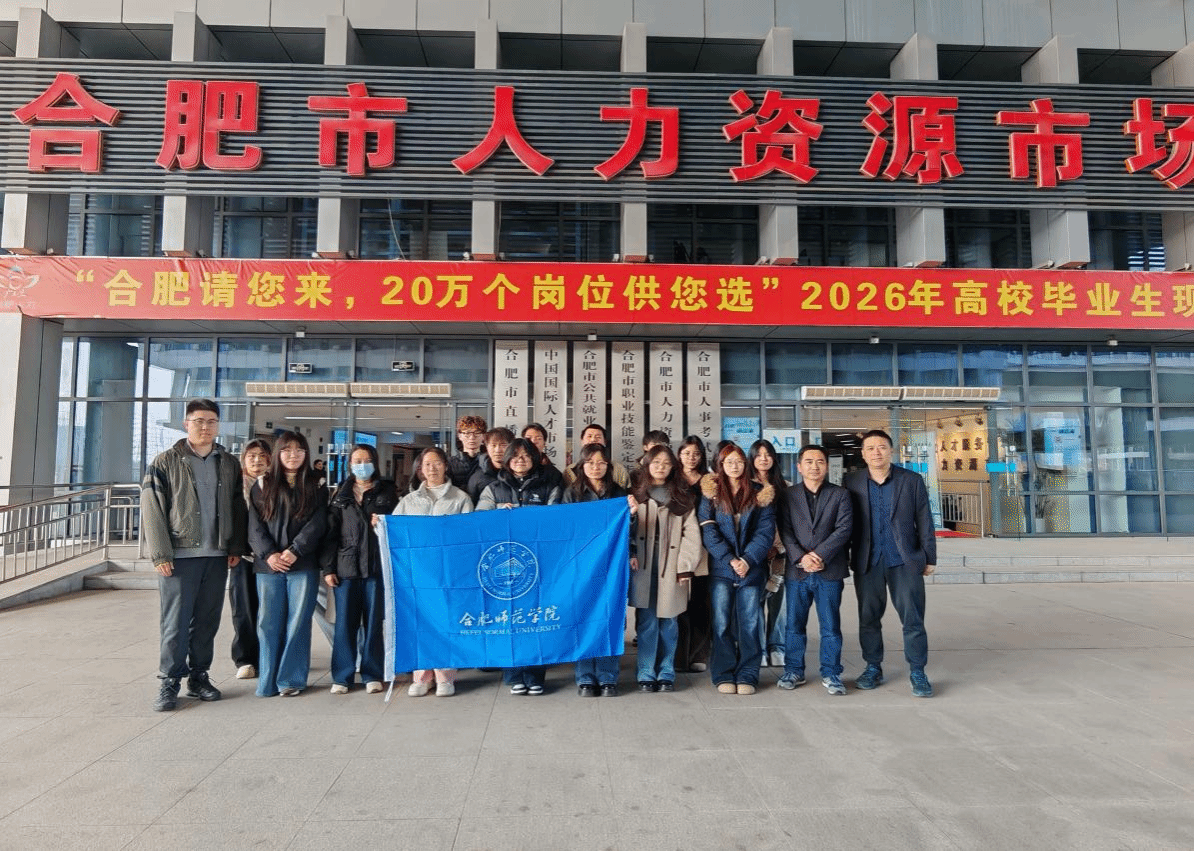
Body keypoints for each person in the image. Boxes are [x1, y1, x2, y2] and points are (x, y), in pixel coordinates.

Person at [141, 399, 248, 712]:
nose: (205, 427)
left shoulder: (228, 463)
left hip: (217, 555)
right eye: (199, 421)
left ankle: (199, 677)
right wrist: (160, 553)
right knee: (175, 622)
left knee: (206, 620)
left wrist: (235, 546)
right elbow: (152, 508)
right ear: (186, 424)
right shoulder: (165, 462)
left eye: (212, 421)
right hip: (179, 556)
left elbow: (237, 506)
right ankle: (170, 681)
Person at [844, 429, 937, 698]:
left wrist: (929, 556)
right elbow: (845, 521)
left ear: (891, 451)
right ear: (863, 454)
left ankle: (918, 671)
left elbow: (924, 519)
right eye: (870, 448)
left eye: (882, 447)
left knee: (913, 619)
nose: (877, 452)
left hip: (904, 560)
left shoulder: (911, 480)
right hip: (867, 560)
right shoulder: (852, 481)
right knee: (868, 618)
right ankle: (873, 667)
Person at [247, 430, 329, 697]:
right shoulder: (262, 484)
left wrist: (296, 550)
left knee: (298, 622)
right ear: (277, 454)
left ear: (306, 453)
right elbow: (254, 526)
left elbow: (318, 523)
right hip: (268, 566)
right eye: (287, 450)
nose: (293, 455)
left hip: (302, 564)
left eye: (299, 450)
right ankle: (268, 681)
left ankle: (290, 680)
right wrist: (269, 554)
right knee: (267, 623)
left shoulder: (317, 484)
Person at [478, 438, 562, 695]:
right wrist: (497, 513)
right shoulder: (494, 488)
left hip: (539, 562)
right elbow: (477, 520)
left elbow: (556, 519)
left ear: (534, 459)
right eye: (515, 456)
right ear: (507, 460)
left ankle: (536, 675)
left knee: (537, 618)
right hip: (504, 564)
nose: (520, 461)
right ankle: (513, 675)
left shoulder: (549, 486)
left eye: (525, 456)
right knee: (508, 619)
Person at [392, 446, 475, 697]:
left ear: (446, 466)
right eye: (427, 464)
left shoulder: (460, 498)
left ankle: (445, 677)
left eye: (437, 463)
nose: (432, 468)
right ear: (420, 469)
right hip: (417, 575)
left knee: (446, 623)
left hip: (448, 574)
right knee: (419, 624)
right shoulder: (409, 501)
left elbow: (469, 537)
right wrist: (379, 525)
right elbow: (394, 532)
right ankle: (421, 676)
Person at [321, 443, 399, 695]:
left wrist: (384, 524)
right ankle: (342, 676)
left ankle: (372, 673)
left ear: (375, 463)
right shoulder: (340, 495)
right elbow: (330, 534)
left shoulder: (387, 492)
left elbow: (399, 526)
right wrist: (328, 568)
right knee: (345, 624)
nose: (362, 465)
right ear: (350, 464)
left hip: (376, 568)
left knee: (374, 623)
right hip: (346, 568)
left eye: (367, 460)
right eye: (357, 461)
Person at [699, 443, 776, 696]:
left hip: (752, 569)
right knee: (721, 623)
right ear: (720, 465)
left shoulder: (760, 492)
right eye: (729, 461)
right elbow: (708, 529)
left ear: (745, 464)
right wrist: (730, 559)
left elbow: (765, 532)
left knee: (749, 623)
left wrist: (747, 560)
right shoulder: (711, 492)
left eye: (739, 461)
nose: (734, 466)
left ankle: (748, 674)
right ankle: (723, 673)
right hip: (722, 569)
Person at [776, 444, 854, 696]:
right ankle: (793, 671)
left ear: (827, 466)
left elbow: (844, 528)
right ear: (799, 467)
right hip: (797, 571)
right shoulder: (788, 496)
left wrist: (819, 555)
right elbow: (785, 529)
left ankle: (831, 673)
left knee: (830, 626)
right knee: (793, 625)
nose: (814, 466)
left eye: (820, 461)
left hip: (829, 570)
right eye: (808, 462)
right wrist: (801, 557)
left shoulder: (840, 494)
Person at [562, 443, 636, 697]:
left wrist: (632, 517)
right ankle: (585, 677)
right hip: (581, 565)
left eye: (601, 462)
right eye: (590, 462)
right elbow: (564, 529)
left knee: (611, 616)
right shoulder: (572, 492)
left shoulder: (619, 492)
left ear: (608, 466)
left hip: (612, 563)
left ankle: (607, 676)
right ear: (582, 465)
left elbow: (628, 528)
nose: (596, 467)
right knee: (582, 617)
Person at [629, 445, 702, 693]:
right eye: (656, 462)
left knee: (669, 621)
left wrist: (684, 566)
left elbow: (692, 535)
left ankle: (666, 671)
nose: (661, 467)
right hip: (644, 564)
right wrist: (631, 553)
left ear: (673, 467)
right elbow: (625, 529)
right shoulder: (635, 494)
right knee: (647, 621)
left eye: (666, 463)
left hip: (672, 565)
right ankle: (646, 671)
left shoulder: (682, 496)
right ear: (647, 465)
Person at [230, 438, 271, 680]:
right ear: (244, 459)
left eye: (262, 456)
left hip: (272, 558)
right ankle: (245, 659)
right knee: (244, 609)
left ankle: (269, 656)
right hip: (243, 557)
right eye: (252, 456)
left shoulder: (276, 485)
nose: (257, 461)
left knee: (271, 610)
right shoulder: (235, 487)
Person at [749, 439, 788, 668]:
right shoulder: (745, 486)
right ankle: (759, 649)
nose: (763, 459)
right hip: (753, 554)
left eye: (768, 454)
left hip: (780, 554)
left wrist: (780, 546)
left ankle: (777, 646)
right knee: (754, 602)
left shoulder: (785, 486)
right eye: (758, 454)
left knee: (779, 603)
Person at [675, 435, 712, 674]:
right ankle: (679, 656)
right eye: (687, 453)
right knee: (678, 604)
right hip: (676, 547)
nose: (691, 458)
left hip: (705, 548)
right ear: (679, 455)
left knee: (701, 603)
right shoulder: (672, 479)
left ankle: (699, 653)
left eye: (696, 454)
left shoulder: (709, 481)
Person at [563, 423, 630, 488]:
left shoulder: (618, 469)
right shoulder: (570, 471)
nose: (593, 440)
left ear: (605, 442)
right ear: (582, 441)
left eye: (598, 437)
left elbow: (625, 492)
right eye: (589, 436)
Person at [467, 427, 513, 503]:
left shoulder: (520, 473)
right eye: (493, 445)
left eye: (503, 445)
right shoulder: (477, 478)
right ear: (487, 447)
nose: (498, 450)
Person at [448, 415, 488, 492]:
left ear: (483, 436)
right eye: (467, 433)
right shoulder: (450, 463)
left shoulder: (489, 462)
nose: (472, 437)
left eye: (477, 433)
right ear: (459, 436)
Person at [522, 422, 564, 491]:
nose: (533, 441)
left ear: (544, 443)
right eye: (529, 438)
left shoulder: (553, 473)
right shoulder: (515, 466)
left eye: (539, 438)